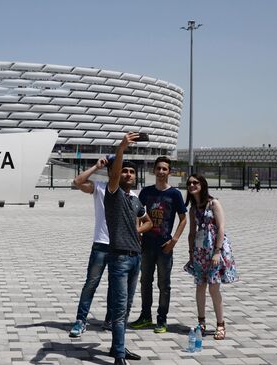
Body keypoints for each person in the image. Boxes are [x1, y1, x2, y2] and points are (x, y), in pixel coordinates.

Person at [104, 132, 153, 365]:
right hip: (119, 259)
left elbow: (149, 221)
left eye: (132, 172)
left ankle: (117, 348)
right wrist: (121, 148)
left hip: (135, 258)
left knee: (127, 306)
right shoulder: (112, 193)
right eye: (125, 170)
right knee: (120, 307)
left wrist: (137, 231)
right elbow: (114, 174)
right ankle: (120, 356)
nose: (128, 174)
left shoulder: (134, 199)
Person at [129, 156, 187, 334]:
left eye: (165, 169)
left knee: (164, 284)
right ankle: (146, 316)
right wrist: (138, 234)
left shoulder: (174, 194)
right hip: (146, 246)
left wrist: (174, 241)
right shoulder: (145, 192)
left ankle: (162, 320)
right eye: (159, 168)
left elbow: (183, 219)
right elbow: (138, 215)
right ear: (153, 171)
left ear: (169, 172)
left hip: (164, 247)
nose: (161, 172)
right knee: (145, 282)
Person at [69, 156, 124, 337]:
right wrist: (95, 166)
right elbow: (77, 182)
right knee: (91, 284)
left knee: (115, 287)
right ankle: (80, 320)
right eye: (114, 169)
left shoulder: (128, 192)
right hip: (101, 243)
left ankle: (109, 320)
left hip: (120, 246)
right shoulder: (99, 188)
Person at [184, 173, 238, 340]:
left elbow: (221, 228)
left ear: (202, 184)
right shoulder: (193, 208)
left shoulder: (213, 203)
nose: (192, 185)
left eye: (195, 182)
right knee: (200, 286)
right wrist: (191, 253)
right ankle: (201, 322)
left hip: (214, 250)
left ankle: (220, 324)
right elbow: (192, 233)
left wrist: (217, 251)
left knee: (214, 287)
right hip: (199, 252)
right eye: (189, 183)